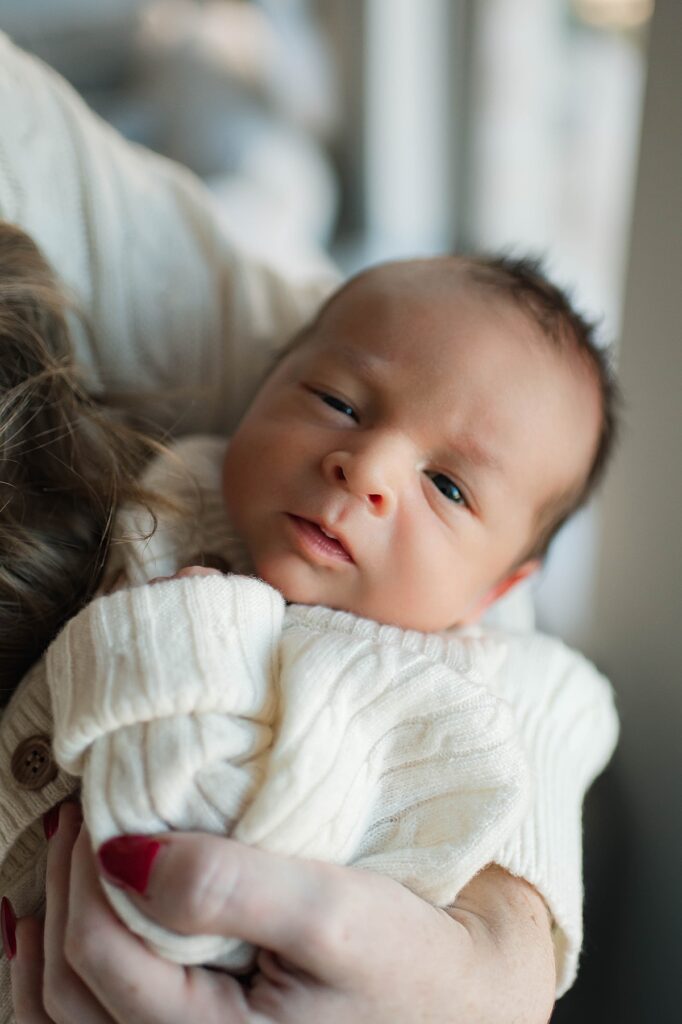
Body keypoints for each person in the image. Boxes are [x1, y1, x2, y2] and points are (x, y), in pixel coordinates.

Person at [0, 31, 616, 1024]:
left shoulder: (466, 676)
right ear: (262, 381)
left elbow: (563, 711)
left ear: (500, 590)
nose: (364, 468)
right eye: (335, 399)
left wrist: (511, 963)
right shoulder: (182, 473)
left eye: (449, 489)